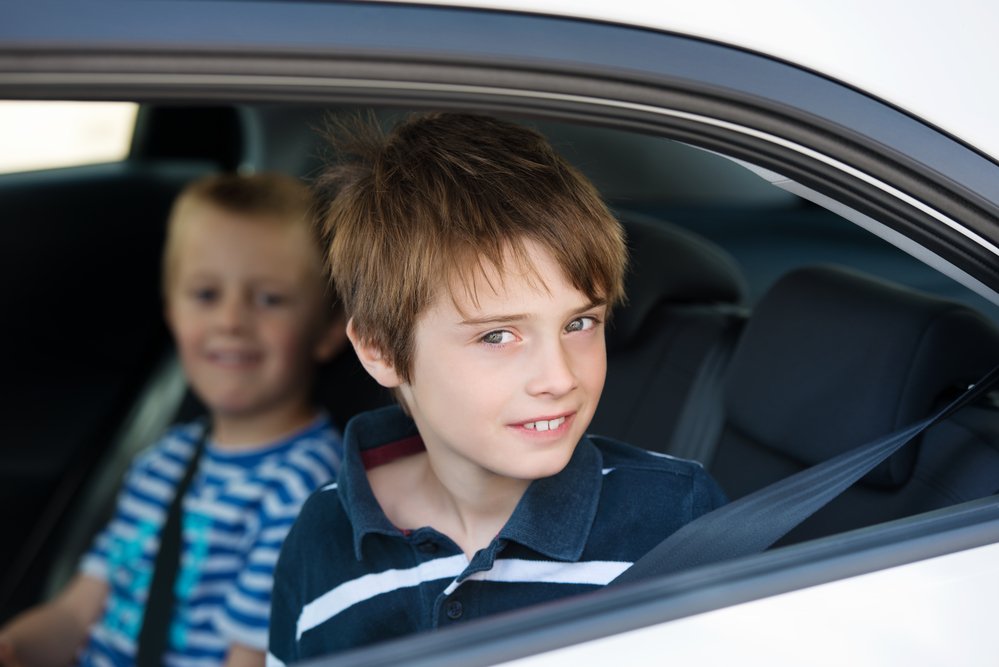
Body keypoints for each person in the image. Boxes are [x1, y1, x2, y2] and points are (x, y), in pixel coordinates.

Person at [267, 112, 727, 664]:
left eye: (579, 324)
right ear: (381, 351)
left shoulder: (675, 515)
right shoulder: (323, 539)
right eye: (498, 335)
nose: (559, 378)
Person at [0, 172, 347, 667]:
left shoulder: (306, 486)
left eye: (269, 299)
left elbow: (248, 658)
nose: (230, 320)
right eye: (205, 295)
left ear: (329, 329)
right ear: (172, 312)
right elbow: (76, 613)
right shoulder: (163, 461)